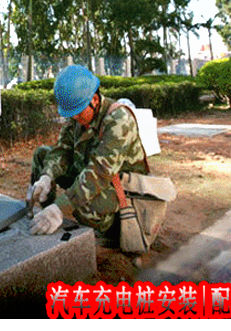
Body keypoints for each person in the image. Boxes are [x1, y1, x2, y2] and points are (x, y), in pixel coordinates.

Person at [27, 64, 148, 242]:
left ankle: (111, 230)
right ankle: (47, 214)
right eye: (72, 114)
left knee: (83, 207)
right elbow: (63, 150)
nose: (75, 118)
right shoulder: (77, 115)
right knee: (42, 155)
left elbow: (99, 173)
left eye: (78, 113)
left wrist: (62, 207)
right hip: (90, 172)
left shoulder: (119, 120)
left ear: (95, 99)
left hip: (121, 189)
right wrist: (46, 177)